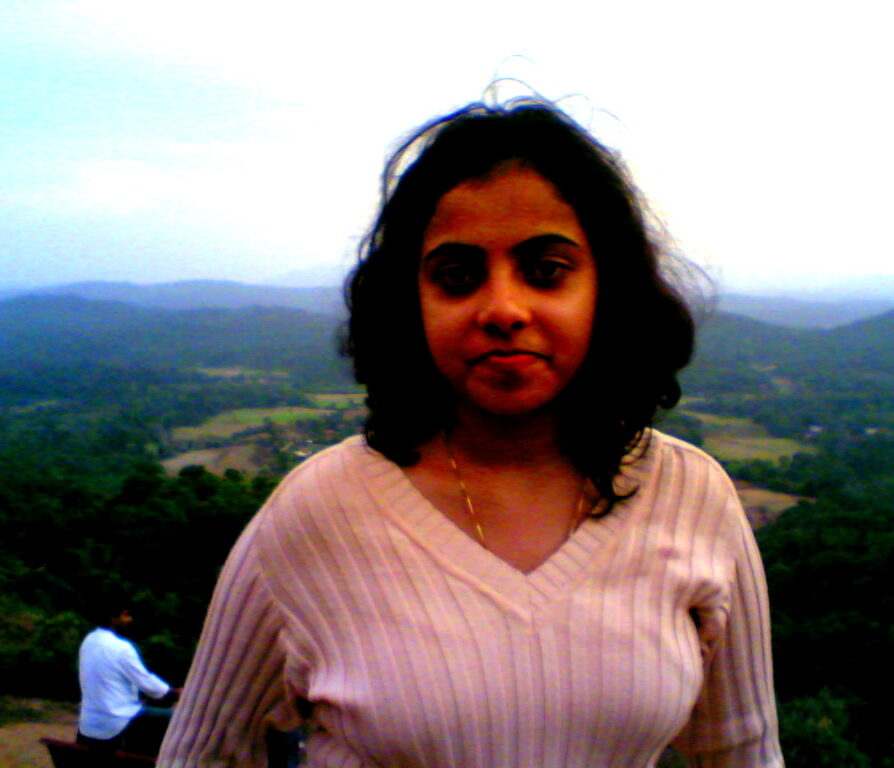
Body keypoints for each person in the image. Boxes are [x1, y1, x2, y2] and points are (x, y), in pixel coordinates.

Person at [158, 97, 783, 767]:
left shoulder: (693, 496)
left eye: (546, 271)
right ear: (411, 304)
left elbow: (742, 751)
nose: (503, 309)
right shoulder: (316, 514)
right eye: (457, 277)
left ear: (608, 289)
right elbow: (200, 754)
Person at [78, 603, 176, 758]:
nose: (130, 620)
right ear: (113, 619)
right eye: (125, 615)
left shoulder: (88, 641)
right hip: (116, 720)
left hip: (89, 724)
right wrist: (173, 692)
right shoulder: (121, 647)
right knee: (175, 718)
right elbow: (149, 685)